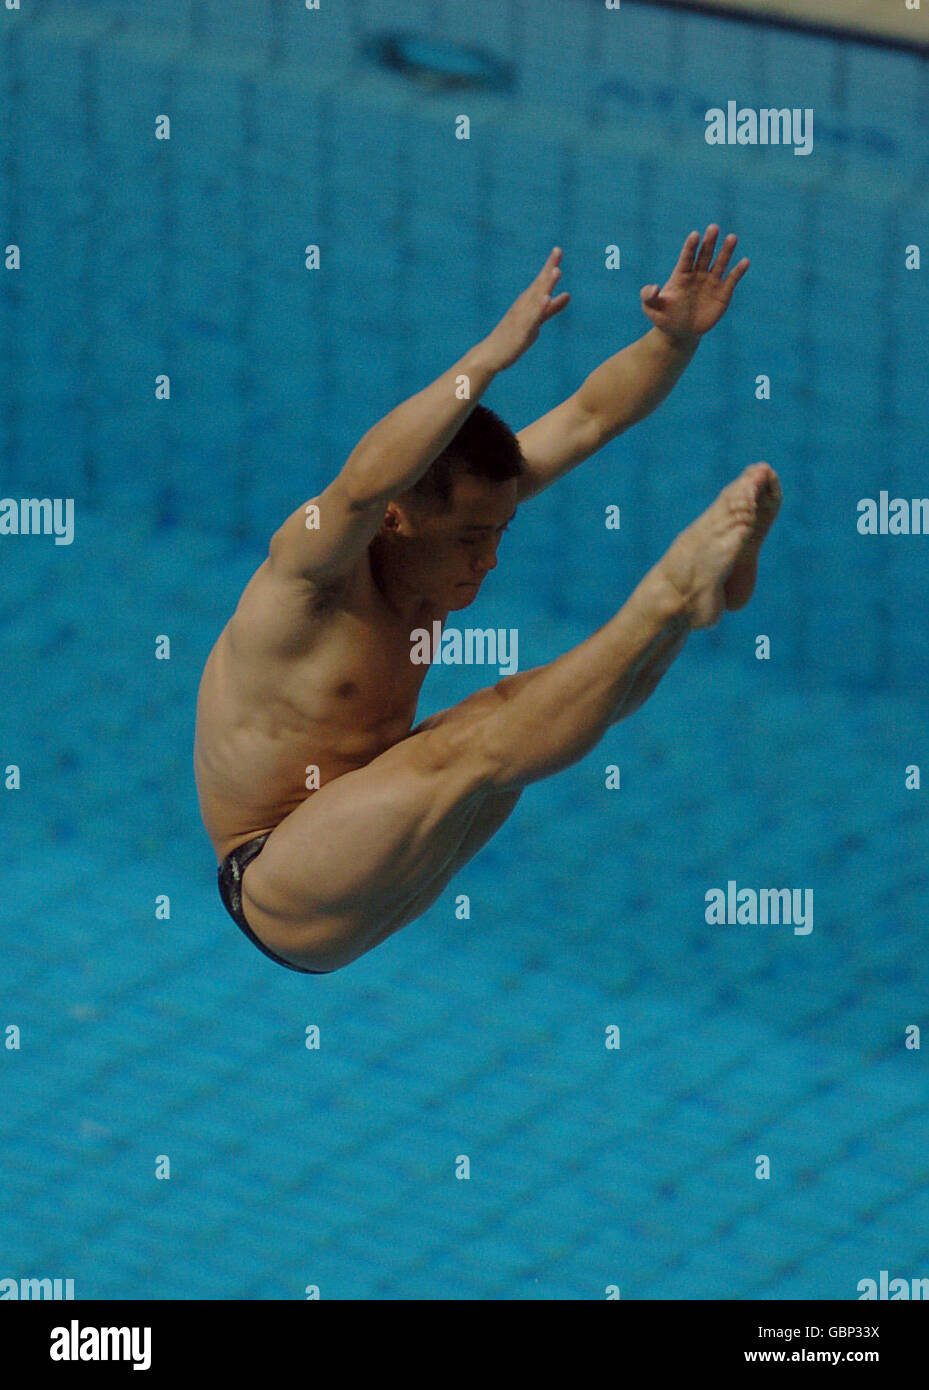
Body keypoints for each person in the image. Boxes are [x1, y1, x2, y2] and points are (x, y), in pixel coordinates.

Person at [194, 226, 780, 974]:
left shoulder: (444, 528)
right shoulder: (310, 575)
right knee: (462, 748)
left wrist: (672, 344)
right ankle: (669, 593)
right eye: (472, 538)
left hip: (383, 850)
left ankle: (690, 606)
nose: (491, 557)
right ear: (396, 521)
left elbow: (587, 417)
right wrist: (486, 359)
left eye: (500, 530)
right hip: (279, 878)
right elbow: (362, 485)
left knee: (529, 704)